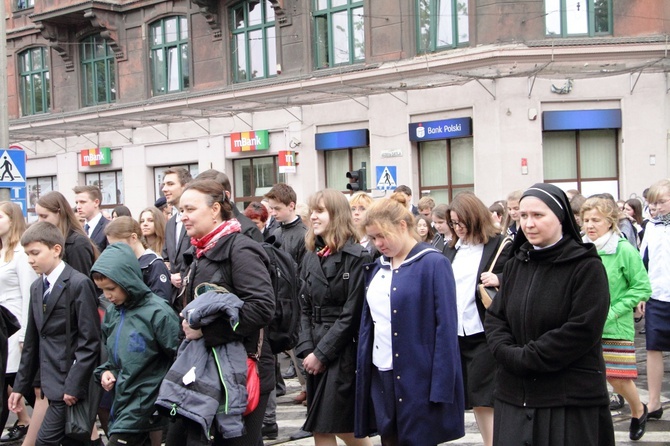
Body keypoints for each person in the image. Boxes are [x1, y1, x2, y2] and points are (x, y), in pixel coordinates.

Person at [485, 183, 614, 446]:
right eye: (523, 216)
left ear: (561, 218)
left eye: (538, 215)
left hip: (566, 399)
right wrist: (506, 351)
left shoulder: (586, 267)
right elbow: (496, 317)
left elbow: (581, 330)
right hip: (514, 393)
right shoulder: (515, 265)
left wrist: (526, 358)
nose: (529, 224)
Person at [165, 179, 275, 445]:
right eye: (181, 210)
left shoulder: (240, 248)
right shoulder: (200, 250)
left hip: (241, 369)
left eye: (190, 209)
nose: (184, 217)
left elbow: (262, 308)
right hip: (208, 368)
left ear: (215, 209)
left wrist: (206, 331)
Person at [355, 194, 465, 445]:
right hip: (381, 371)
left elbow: (446, 328)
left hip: (419, 376)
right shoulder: (378, 266)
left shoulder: (434, 263)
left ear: (403, 226)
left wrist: (441, 386)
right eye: (372, 238)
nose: (378, 243)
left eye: (382, 236)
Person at [9, 222, 101, 446]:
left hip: (69, 382)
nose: (30, 260)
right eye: (27, 254)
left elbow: (90, 341)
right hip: (51, 383)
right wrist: (20, 387)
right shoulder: (37, 287)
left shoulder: (79, 283)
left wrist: (74, 384)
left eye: (35, 253)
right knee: (76, 440)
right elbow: (32, 341)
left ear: (56, 250)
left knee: (46, 442)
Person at [294, 189, 372, 446]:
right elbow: (303, 307)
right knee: (322, 427)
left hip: (342, 352)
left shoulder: (357, 258)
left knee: (340, 426)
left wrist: (322, 354)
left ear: (336, 215)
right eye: (312, 211)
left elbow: (352, 315)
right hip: (315, 348)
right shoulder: (310, 256)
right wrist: (307, 349)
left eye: (320, 211)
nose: (313, 217)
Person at [91, 243, 180, 446]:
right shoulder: (113, 313)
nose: (107, 295)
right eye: (102, 290)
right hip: (123, 401)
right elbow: (114, 358)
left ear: (128, 280)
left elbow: (180, 356)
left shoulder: (158, 312)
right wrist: (106, 372)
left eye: (111, 288)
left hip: (148, 404)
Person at [441, 192, 511, 446]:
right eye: (454, 223)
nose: (458, 229)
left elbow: (519, 276)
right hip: (455, 334)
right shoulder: (450, 249)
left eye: (462, 223)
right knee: (474, 397)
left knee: (485, 396)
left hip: (484, 331)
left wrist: (500, 279)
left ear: (475, 219)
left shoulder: (500, 244)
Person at [580, 196, 651, 440]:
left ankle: (638, 409)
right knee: (588, 377)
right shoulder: (579, 249)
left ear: (610, 222)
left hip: (614, 324)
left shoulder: (624, 250)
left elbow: (641, 288)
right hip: (582, 324)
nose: (590, 225)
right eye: (586, 220)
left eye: (596, 220)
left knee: (617, 377)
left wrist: (612, 310)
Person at [0, 202, 36, 443]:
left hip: (14, 327)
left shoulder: (21, 254)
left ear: (12, 220)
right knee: (9, 380)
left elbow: (29, 294)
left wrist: (25, 334)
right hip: (2, 325)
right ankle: (26, 422)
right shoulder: (1, 251)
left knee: (15, 379)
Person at [639, 178, 670, 422]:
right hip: (657, 295)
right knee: (653, 347)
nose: (656, 207)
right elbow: (644, 261)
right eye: (653, 203)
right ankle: (654, 400)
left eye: (661, 202)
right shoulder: (651, 226)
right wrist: (642, 294)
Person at [105, 217, 171, 301]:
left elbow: (162, 302)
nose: (116, 249)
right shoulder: (123, 263)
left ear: (133, 237)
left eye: (119, 244)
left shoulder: (154, 264)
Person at [36, 192, 98, 277]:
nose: (40, 221)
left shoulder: (77, 243)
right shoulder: (51, 239)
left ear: (60, 213)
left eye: (44, 216)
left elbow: (81, 283)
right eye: (38, 216)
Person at [161, 167, 193, 312]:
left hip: (192, 298)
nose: (164, 189)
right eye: (164, 185)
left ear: (185, 187)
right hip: (174, 300)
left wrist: (183, 276)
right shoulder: (170, 223)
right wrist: (170, 275)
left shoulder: (196, 219)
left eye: (170, 184)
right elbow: (166, 257)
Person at [74, 185, 110, 252]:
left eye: (82, 202)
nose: (78, 206)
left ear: (96, 202)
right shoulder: (79, 229)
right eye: (77, 203)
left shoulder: (109, 227)